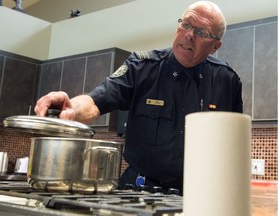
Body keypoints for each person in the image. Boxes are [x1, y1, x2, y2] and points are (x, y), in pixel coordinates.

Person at [34, 1, 243, 195]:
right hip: (139, 191)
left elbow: (233, 147)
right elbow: (96, 101)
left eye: (201, 32)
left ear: (215, 46)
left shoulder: (228, 81)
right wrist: (71, 106)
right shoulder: (141, 66)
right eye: (186, 24)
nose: (189, 35)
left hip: (200, 194)